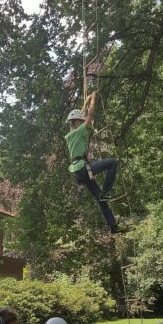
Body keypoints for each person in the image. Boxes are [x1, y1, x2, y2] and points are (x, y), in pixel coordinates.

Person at [65, 90, 123, 234]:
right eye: (81, 120)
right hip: (81, 168)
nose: (83, 120)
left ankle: (113, 227)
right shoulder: (79, 131)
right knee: (112, 162)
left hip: (78, 172)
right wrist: (94, 98)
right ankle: (107, 191)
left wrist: (86, 100)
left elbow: (82, 113)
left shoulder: (71, 133)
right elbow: (89, 115)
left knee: (100, 199)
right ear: (77, 122)